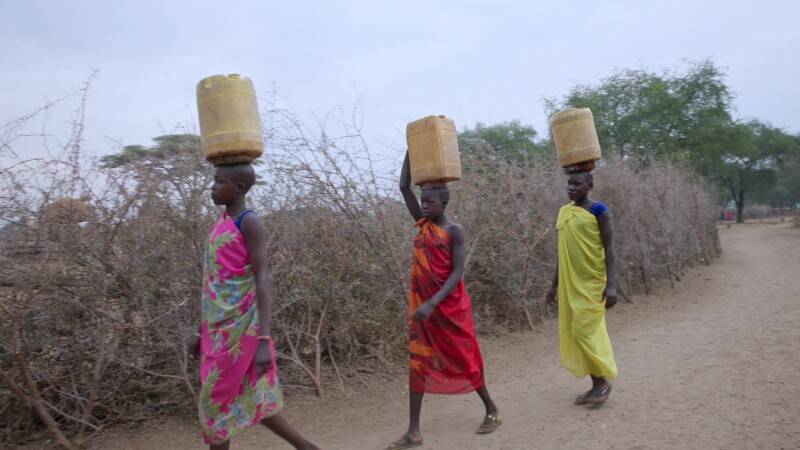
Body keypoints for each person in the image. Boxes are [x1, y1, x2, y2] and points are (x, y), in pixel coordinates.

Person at [186, 163, 320, 450]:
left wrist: (263, 339)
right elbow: (214, 285)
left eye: (219, 181)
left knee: (214, 406)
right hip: (217, 331)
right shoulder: (222, 221)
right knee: (256, 397)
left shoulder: (249, 222)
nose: (212, 187)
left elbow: (262, 279)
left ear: (239, 188)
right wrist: (200, 331)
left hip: (242, 331)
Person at [387, 152, 500, 450]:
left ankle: (491, 407)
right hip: (422, 309)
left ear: (444, 203)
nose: (424, 205)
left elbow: (457, 273)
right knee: (418, 362)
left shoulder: (453, 231)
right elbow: (403, 187)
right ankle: (413, 431)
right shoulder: (423, 224)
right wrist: (412, 151)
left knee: (463, 358)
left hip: (448, 307)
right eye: (422, 201)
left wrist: (432, 304)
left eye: (430, 202)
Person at [545, 168, 619, 405]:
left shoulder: (599, 210)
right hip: (572, 283)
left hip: (594, 282)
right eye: (569, 183)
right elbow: (563, 254)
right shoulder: (565, 212)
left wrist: (611, 284)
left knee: (582, 332)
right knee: (578, 332)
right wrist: (554, 286)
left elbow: (609, 247)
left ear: (590, 185)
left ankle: (602, 382)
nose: (571, 187)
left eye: (577, 184)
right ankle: (597, 384)